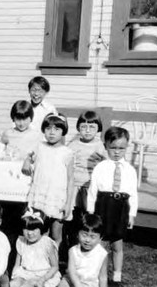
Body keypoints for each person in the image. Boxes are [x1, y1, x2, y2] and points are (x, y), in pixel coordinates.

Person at [87, 127, 138, 286]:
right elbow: (93, 190)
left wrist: (131, 214)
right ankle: (97, 274)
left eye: (121, 148)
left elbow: (133, 193)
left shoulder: (130, 170)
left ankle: (116, 276)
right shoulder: (100, 167)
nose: (117, 152)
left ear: (127, 147)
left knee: (117, 244)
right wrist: (90, 212)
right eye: (113, 148)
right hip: (103, 205)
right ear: (106, 146)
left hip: (121, 207)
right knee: (100, 244)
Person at [22, 113, 74, 249]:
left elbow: (70, 179)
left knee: (56, 234)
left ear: (63, 131)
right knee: (39, 230)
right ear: (44, 130)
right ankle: (38, 261)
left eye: (57, 129)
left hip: (57, 198)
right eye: (48, 129)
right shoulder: (39, 147)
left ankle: (53, 262)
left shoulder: (67, 152)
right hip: (40, 196)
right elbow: (29, 156)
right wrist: (27, 161)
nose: (52, 133)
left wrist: (68, 203)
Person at [67, 111, 106, 242]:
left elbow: (106, 163)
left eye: (92, 127)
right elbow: (65, 160)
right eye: (83, 127)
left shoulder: (99, 146)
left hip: (89, 186)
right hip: (74, 185)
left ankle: (88, 241)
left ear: (98, 129)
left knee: (88, 215)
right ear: (78, 128)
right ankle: (72, 243)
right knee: (74, 215)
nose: (87, 131)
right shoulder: (73, 144)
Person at [10, 207, 61, 287]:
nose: (30, 233)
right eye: (26, 229)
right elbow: (17, 264)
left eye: (34, 229)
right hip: (25, 274)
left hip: (44, 275)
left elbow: (55, 266)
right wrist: (15, 278)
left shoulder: (46, 243)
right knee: (14, 284)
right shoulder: (21, 241)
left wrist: (43, 279)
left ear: (41, 228)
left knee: (31, 285)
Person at [59, 214, 108, 287]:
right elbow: (72, 272)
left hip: (90, 284)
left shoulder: (102, 254)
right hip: (72, 281)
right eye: (84, 235)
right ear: (77, 234)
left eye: (92, 237)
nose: (87, 240)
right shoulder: (73, 251)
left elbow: (103, 277)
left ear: (100, 238)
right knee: (63, 284)